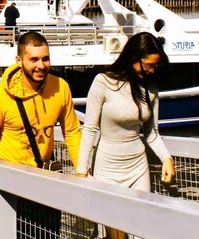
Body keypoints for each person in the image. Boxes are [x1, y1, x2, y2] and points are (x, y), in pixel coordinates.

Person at [0, 32, 81, 237]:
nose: (41, 65)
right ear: (19, 60)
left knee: (49, 234)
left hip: (46, 177)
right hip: (11, 182)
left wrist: (82, 172)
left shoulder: (61, 88)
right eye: (34, 59)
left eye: (45, 58)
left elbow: (71, 131)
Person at [75, 32, 175, 239]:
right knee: (115, 234)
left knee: (140, 230)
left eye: (155, 66)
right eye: (148, 65)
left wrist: (167, 158)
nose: (151, 70)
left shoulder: (151, 88)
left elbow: (151, 132)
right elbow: (90, 129)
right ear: (133, 58)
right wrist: (81, 172)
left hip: (138, 168)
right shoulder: (103, 82)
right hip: (108, 168)